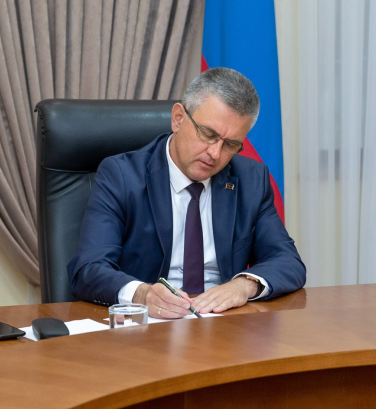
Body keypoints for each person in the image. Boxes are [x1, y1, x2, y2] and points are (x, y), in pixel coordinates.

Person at [68, 67, 305, 318]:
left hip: (223, 323)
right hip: (148, 322)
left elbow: (288, 261)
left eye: (231, 144)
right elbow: (89, 269)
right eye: (208, 134)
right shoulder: (121, 175)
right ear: (178, 118)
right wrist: (141, 294)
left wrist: (244, 285)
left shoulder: (251, 179)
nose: (215, 153)